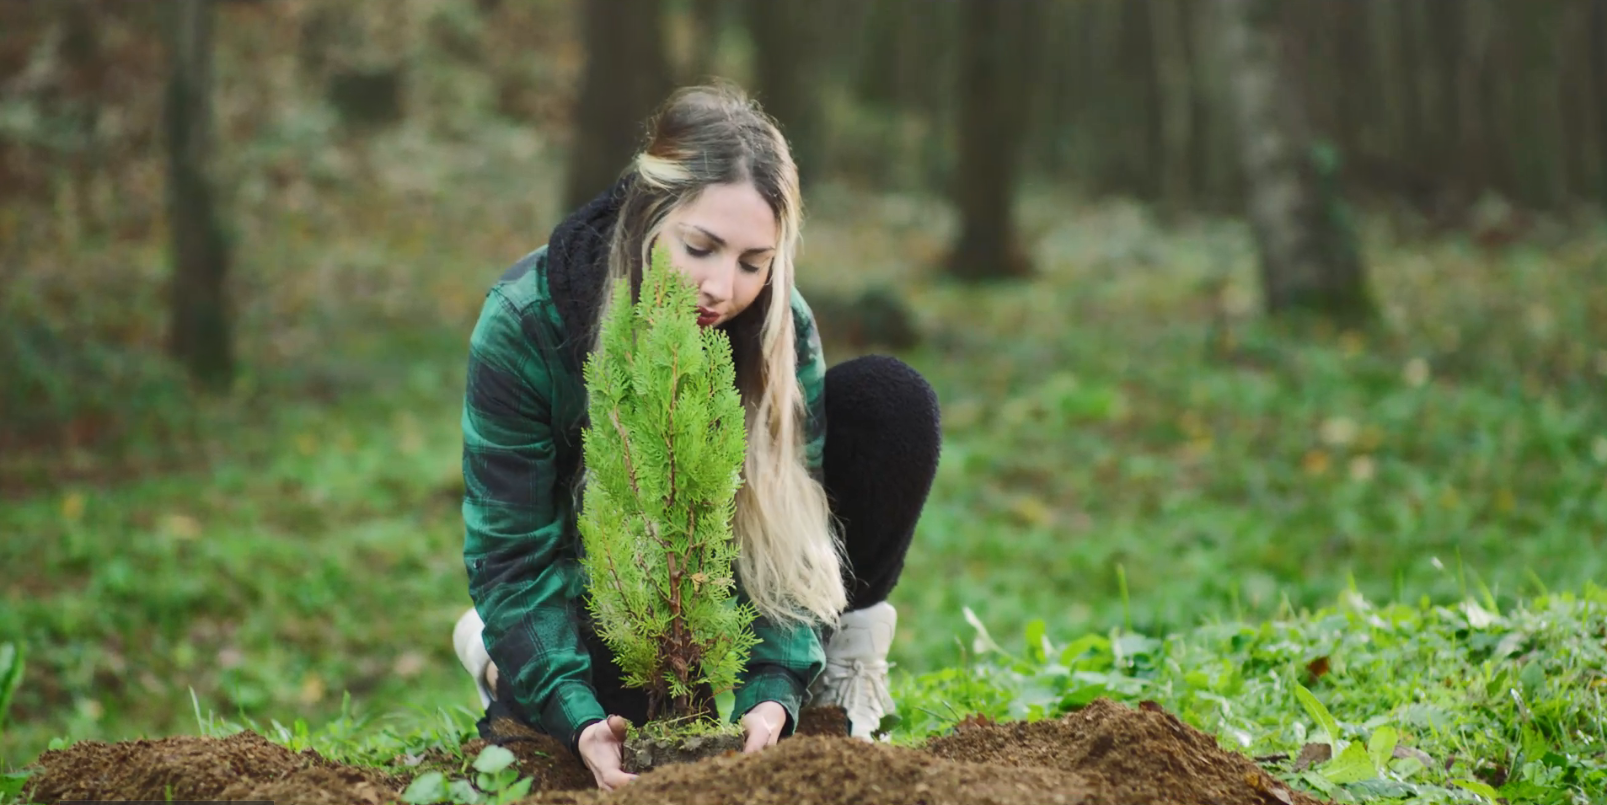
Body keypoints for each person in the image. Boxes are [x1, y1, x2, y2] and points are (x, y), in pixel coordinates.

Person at [449, 82, 941, 791]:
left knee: (890, 403)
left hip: (718, 601)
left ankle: (842, 660)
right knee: (613, 717)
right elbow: (512, 553)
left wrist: (772, 691)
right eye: (700, 247)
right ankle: (500, 652)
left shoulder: (779, 323)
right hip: (598, 590)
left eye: (752, 261)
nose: (721, 286)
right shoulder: (529, 320)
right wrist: (576, 713)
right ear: (649, 214)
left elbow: (785, 539)